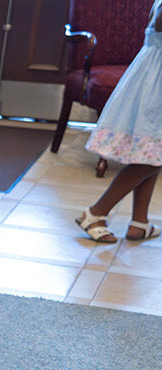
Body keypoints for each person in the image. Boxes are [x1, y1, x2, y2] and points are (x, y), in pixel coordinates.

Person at [75, 0, 162, 244]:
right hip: (156, 83)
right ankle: (95, 213)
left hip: (152, 77)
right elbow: (159, 24)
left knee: (152, 153)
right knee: (151, 158)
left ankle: (139, 222)